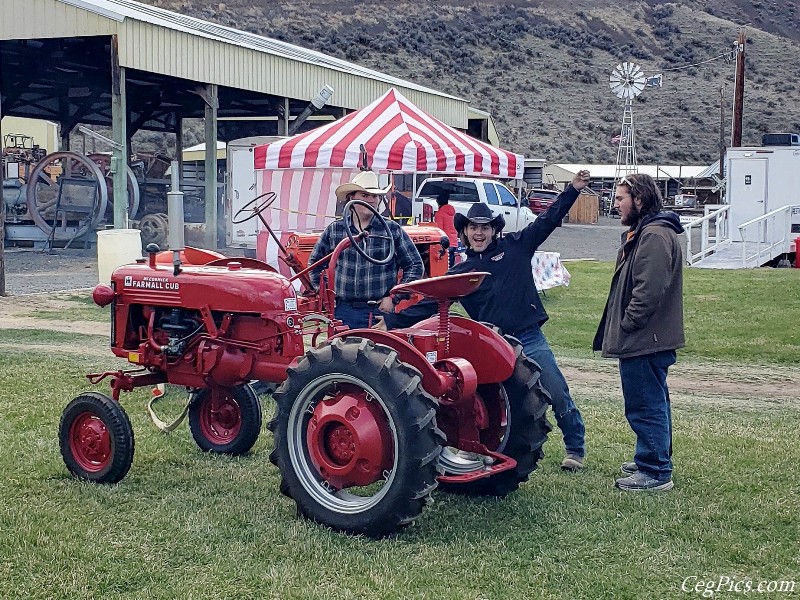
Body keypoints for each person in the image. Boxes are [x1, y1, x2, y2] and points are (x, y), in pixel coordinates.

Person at [400, 171, 591, 469]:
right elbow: (431, 300)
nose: (479, 233)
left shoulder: (516, 246)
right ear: (464, 233)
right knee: (494, 398)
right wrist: (391, 319)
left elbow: (548, 220)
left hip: (528, 337)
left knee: (555, 388)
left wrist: (572, 190)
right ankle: (494, 445)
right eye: (473, 228)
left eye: (485, 228)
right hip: (493, 344)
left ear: (493, 230)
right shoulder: (463, 272)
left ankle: (575, 448)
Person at [593, 173, 685, 492]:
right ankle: (654, 456)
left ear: (640, 200)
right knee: (653, 400)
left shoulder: (654, 235)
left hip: (644, 339)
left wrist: (628, 323)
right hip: (648, 338)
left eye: (621, 198)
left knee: (644, 404)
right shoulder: (646, 232)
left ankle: (655, 470)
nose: (615, 204)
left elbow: (649, 289)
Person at [308, 170, 424, 330]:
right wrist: (326, 294)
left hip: (378, 310)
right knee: (342, 352)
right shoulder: (335, 230)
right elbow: (314, 264)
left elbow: (415, 265)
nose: (371, 200)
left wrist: (393, 297)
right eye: (365, 195)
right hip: (343, 310)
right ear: (351, 198)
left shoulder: (392, 230)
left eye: (375, 196)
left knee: (378, 353)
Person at [433, 191, 458, 266]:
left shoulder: (439, 214)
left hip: (445, 244)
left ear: (438, 202)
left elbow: (439, 230)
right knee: (452, 265)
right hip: (454, 243)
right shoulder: (453, 213)